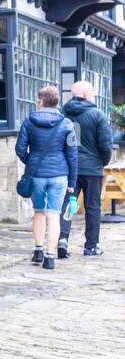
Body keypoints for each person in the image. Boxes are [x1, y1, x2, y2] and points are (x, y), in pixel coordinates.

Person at [15, 84, 78, 271]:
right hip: (59, 175)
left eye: (37, 100)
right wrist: (72, 182)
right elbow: (73, 155)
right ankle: (50, 257)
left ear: (41, 101)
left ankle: (38, 250)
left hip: (36, 175)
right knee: (54, 214)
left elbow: (19, 148)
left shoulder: (28, 121)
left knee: (39, 212)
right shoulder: (67, 124)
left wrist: (31, 161)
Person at [57, 81, 114, 258]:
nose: (94, 95)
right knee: (92, 207)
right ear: (85, 94)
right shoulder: (97, 115)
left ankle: (62, 240)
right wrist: (101, 162)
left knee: (67, 204)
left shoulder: (62, 114)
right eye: (92, 92)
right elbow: (106, 145)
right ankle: (91, 246)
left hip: (69, 169)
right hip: (92, 169)